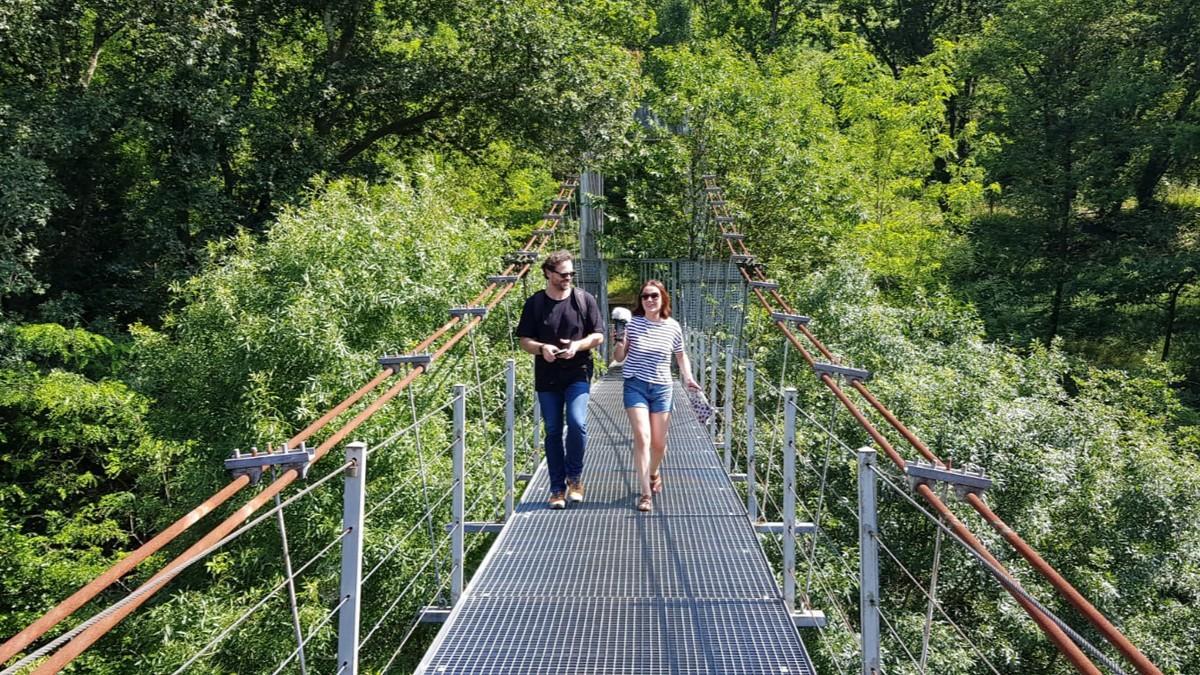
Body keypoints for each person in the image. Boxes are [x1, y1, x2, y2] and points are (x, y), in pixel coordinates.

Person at [516, 250, 604, 509]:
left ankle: (574, 478)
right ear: (548, 273)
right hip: (547, 375)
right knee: (553, 430)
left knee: (577, 423)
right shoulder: (534, 304)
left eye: (571, 274)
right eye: (563, 274)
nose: (568, 278)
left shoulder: (583, 299)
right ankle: (556, 488)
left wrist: (578, 345)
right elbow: (524, 341)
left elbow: (598, 336)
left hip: (578, 372)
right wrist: (542, 348)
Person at [611, 280, 700, 512]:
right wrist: (619, 339)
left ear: (663, 298)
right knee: (643, 437)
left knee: (659, 445)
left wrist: (688, 378)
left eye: (654, 296)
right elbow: (619, 358)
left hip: (662, 387)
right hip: (635, 385)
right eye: (644, 297)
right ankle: (645, 493)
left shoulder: (673, 326)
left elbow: (681, 356)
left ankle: (653, 472)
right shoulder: (632, 323)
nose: (649, 300)